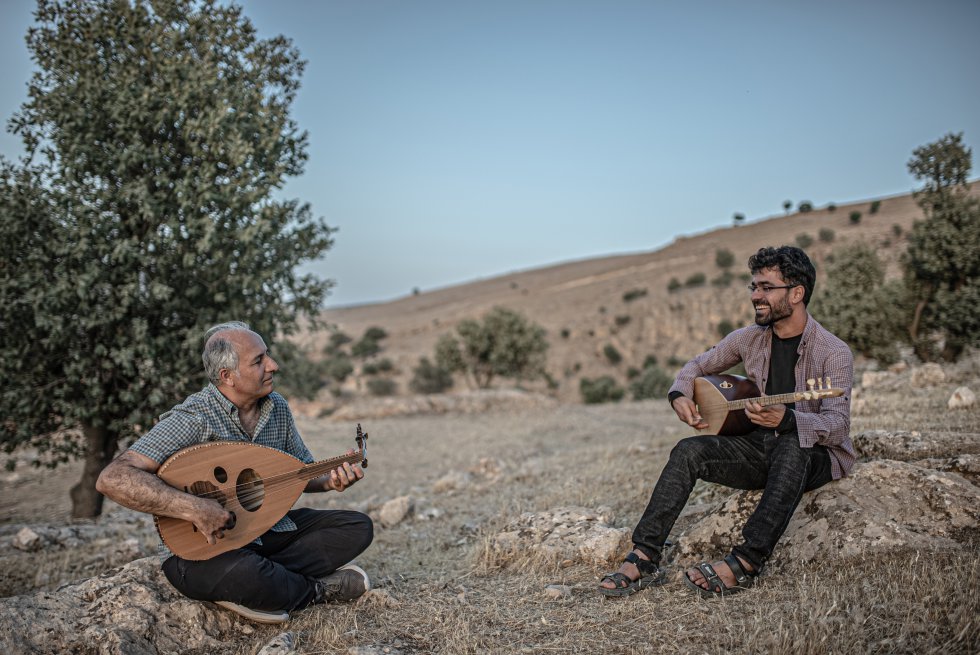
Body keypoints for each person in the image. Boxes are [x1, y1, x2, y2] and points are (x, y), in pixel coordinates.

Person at [598, 245, 853, 598]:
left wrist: (789, 418)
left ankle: (746, 563)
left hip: (814, 457)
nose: (756, 296)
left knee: (793, 446)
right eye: (754, 287)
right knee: (688, 451)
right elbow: (697, 366)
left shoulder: (833, 351)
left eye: (766, 287)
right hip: (760, 449)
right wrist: (679, 395)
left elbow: (838, 424)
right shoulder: (749, 338)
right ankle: (644, 555)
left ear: (796, 293)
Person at [97, 321, 374, 623]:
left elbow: (301, 472)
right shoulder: (194, 419)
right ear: (227, 376)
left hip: (265, 531)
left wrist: (331, 481)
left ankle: (265, 586)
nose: (273, 365)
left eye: (267, 355)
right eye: (258, 361)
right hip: (202, 551)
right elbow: (112, 478)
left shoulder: (276, 408)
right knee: (243, 570)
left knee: (356, 527)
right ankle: (315, 589)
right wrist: (193, 507)